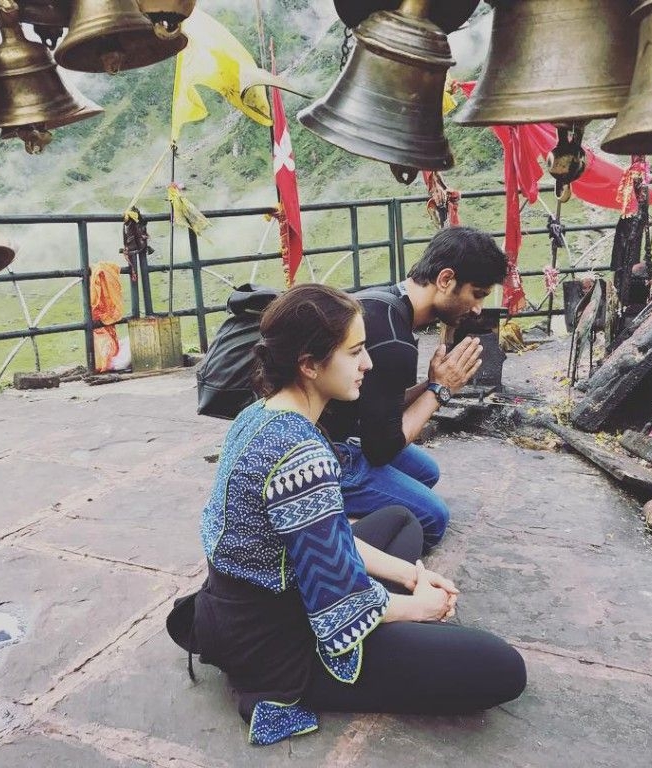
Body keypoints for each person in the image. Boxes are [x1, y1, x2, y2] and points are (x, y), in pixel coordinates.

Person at [178, 284, 527, 746]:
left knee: (402, 520)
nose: (368, 364)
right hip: (272, 640)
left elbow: (329, 532)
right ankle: (291, 679)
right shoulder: (302, 454)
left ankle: (381, 601)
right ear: (309, 364)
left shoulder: (257, 415)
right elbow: (337, 607)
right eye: (355, 352)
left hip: (230, 609)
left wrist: (411, 575)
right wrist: (418, 607)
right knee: (501, 668)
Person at [320, 226, 508, 551]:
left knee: (425, 472)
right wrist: (440, 391)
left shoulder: (386, 303)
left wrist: (430, 384)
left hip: (337, 428)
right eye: (477, 293)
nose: (477, 308)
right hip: (324, 452)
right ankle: (329, 525)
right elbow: (383, 449)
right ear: (446, 279)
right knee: (433, 518)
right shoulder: (394, 339)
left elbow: (380, 402)